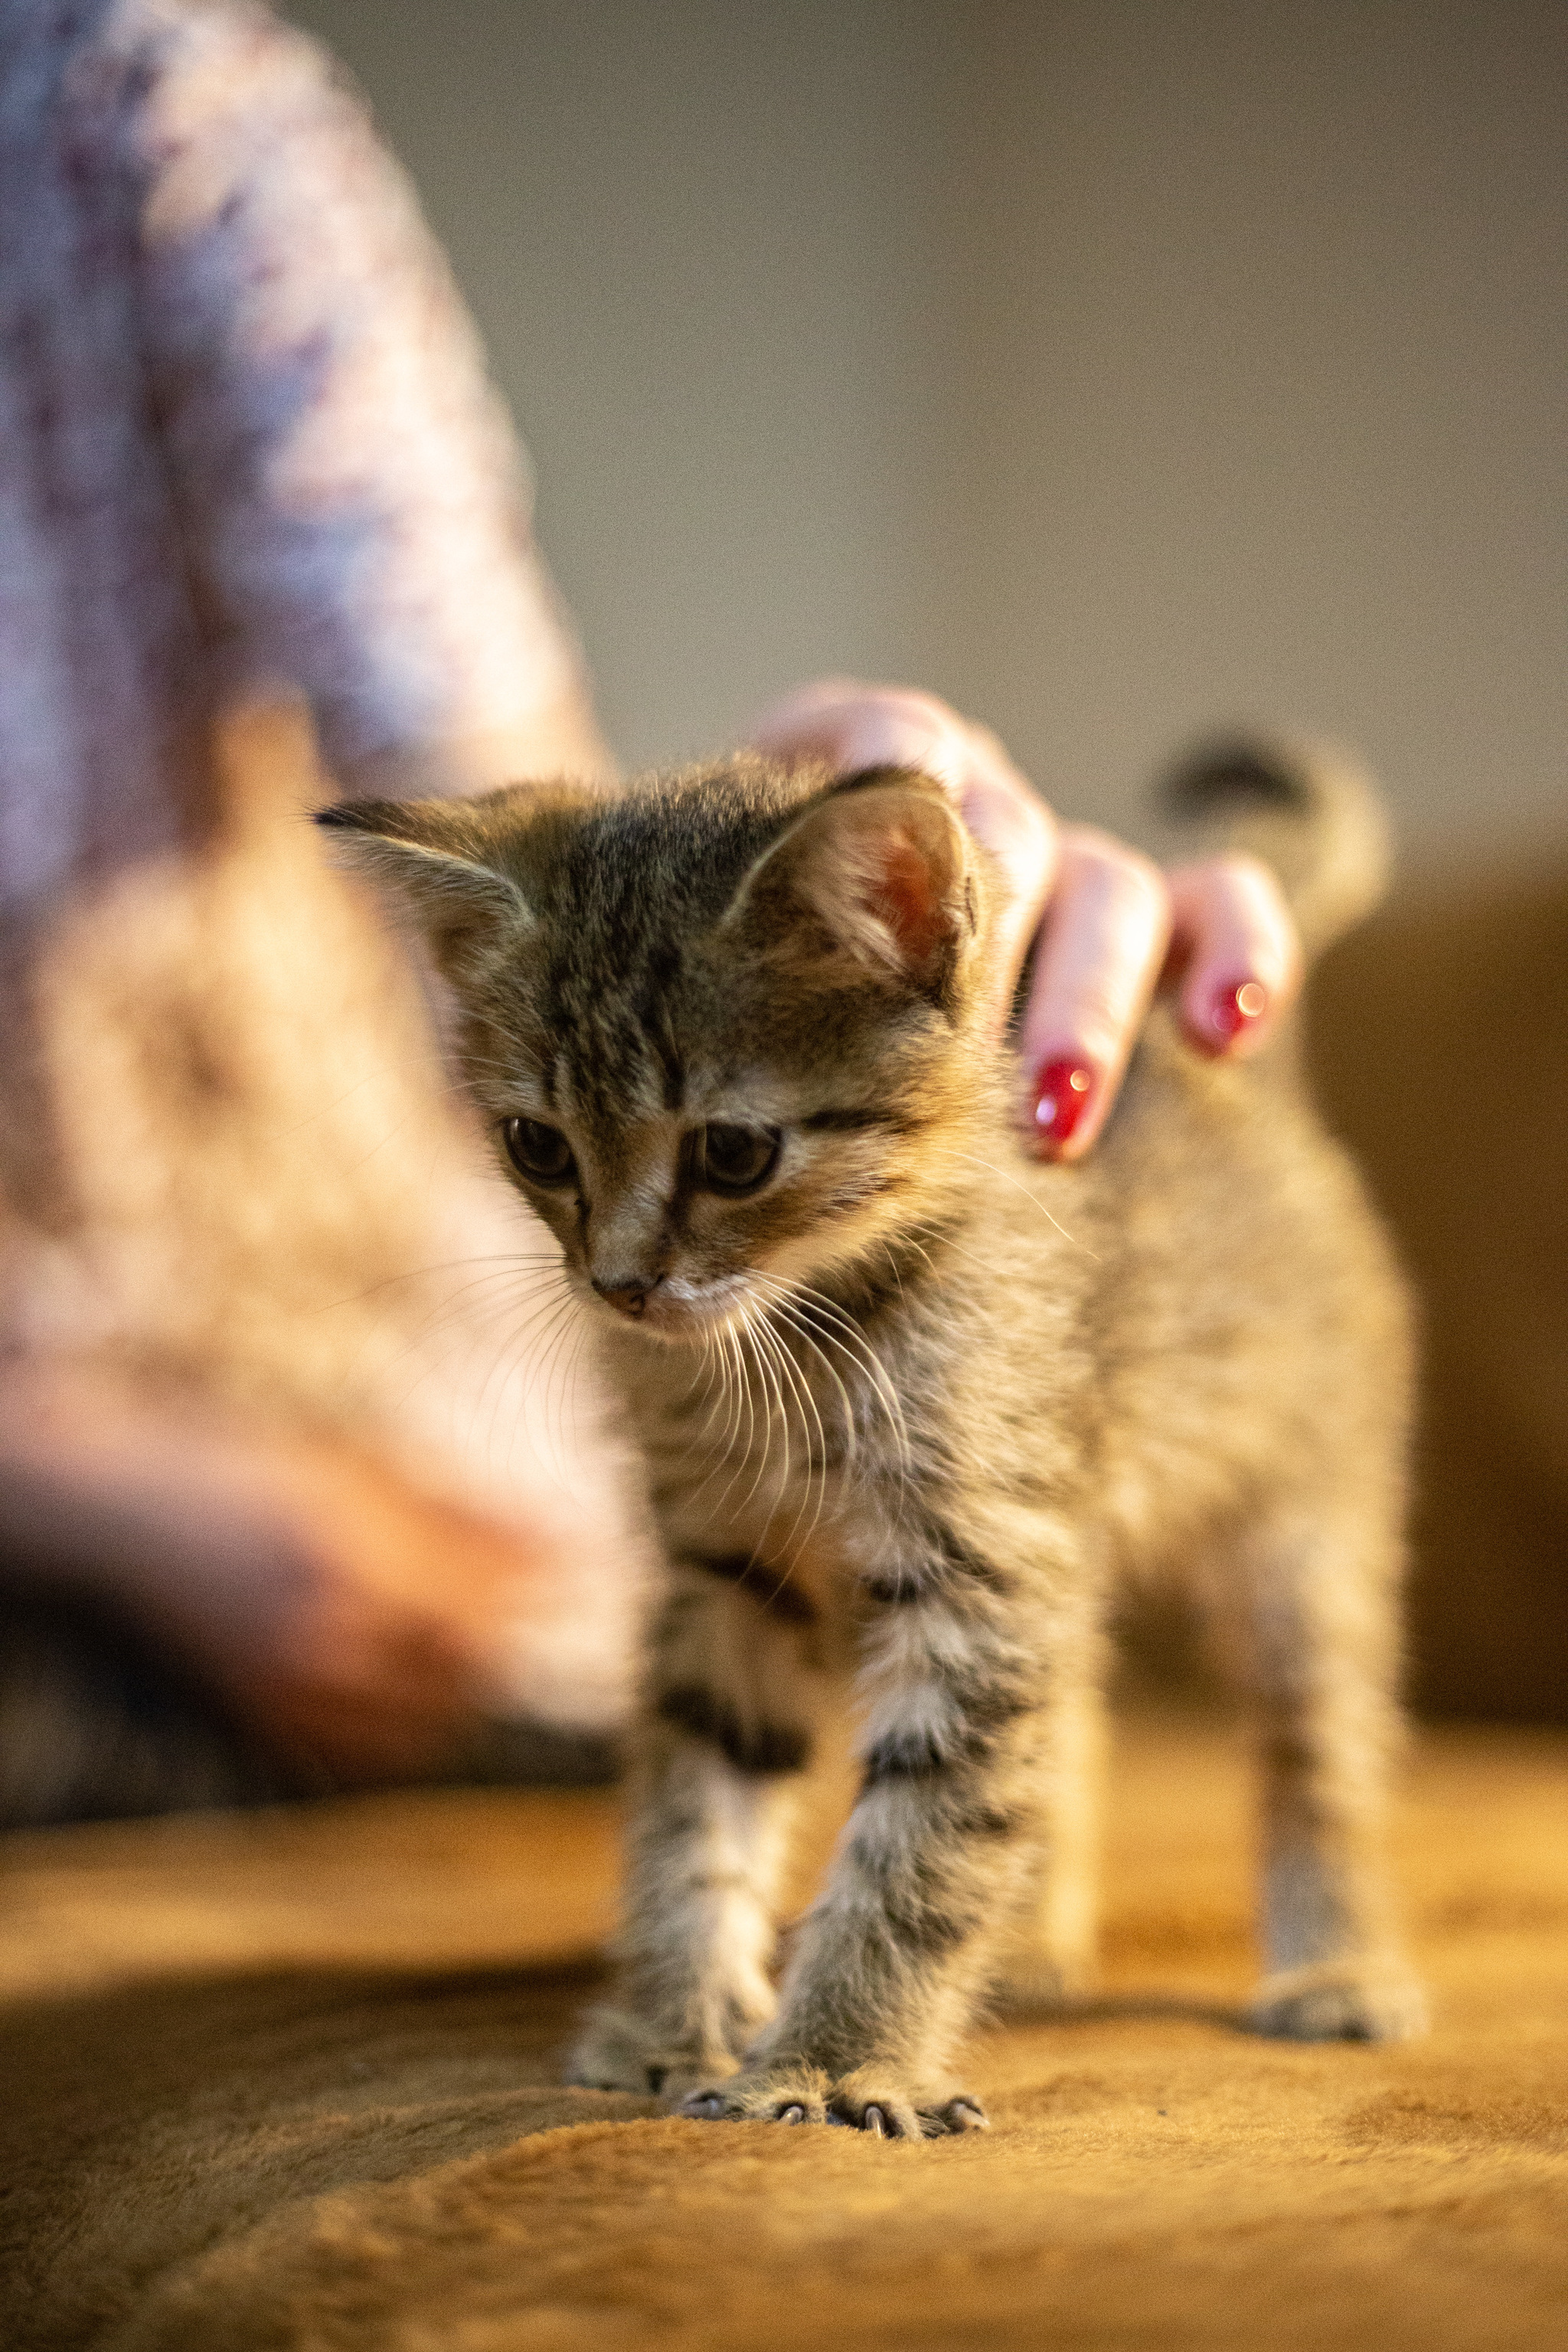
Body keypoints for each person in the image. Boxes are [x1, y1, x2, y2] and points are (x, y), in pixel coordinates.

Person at [0, 0, 1298, 1815]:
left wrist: (749, 864)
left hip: (365, 1480)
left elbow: (493, 779)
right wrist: (84, 1477)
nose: (609, 1260)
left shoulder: (131, 108)